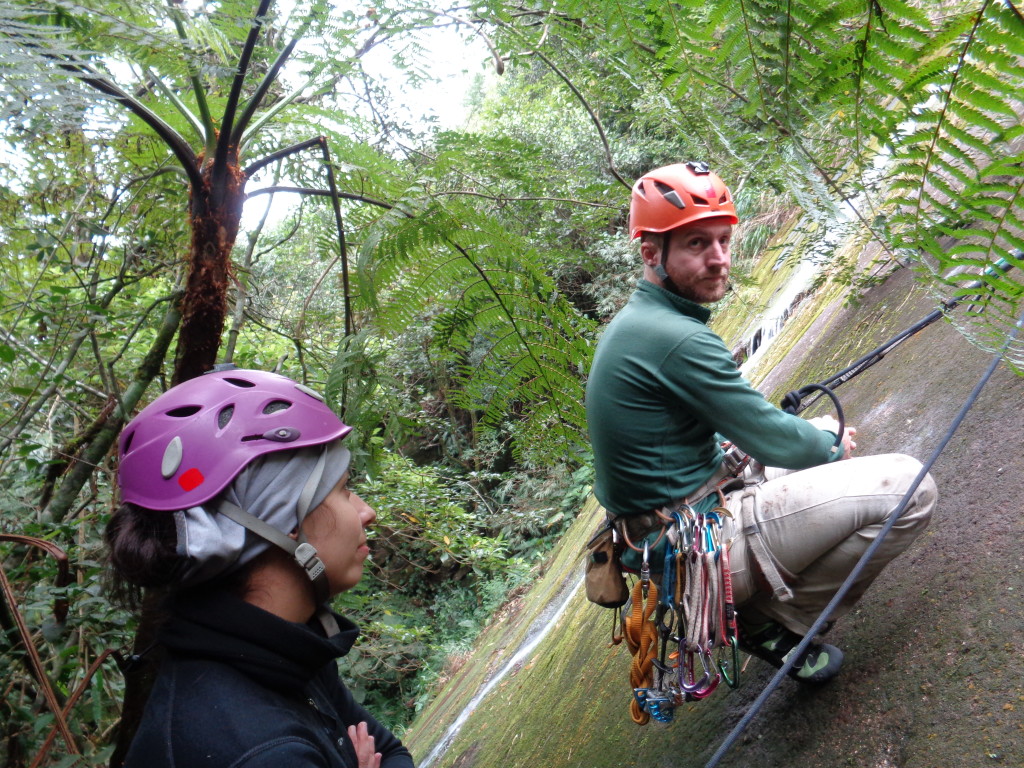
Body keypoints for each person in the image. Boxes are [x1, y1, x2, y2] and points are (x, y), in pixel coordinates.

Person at [585, 161, 937, 684]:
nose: (719, 258)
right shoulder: (673, 337)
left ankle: (757, 609)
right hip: (698, 550)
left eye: (724, 241)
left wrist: (812, 438)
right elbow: (770, 437)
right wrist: (823, 444)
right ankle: (772, 621)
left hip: (667, 537)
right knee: (912, 488)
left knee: (817, 439)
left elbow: (716, 437)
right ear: (651, 254)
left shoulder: (641, 326)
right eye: (696, 244)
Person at [106, 368, 414, 768]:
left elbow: (390, 753)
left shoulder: (280, 653)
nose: (366, 513)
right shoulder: (260, 751)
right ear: (279, 522)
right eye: (342, 490)